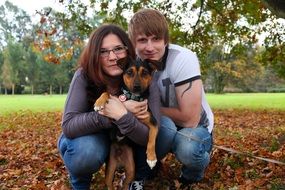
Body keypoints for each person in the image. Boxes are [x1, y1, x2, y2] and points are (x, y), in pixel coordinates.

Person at [57, 24, 160, 190]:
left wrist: (123, 116)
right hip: (86, 137)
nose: (112, 57)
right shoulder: (83, 76)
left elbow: (147, 136)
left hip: (118, 140)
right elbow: (69, 126)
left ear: (128, 50)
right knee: (87, 151)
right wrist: (116, 111)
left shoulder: (142, 79)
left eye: (118, 49)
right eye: (103, 51)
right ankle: (80, 181)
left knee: (165, 130)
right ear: (94, 55)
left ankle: (138, 177)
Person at [128, 8, 214, 189]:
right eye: (142, 40)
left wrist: (145, 107)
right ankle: (149, 168)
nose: (150, 47)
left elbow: (190, 118)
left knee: (188, 148)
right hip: (164, 123)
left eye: (156, 39)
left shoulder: (183, 58)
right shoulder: (132, 63)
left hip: (195, 127)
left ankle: (192, 173)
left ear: (165, 40)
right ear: (133, 42)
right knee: (161, 125)